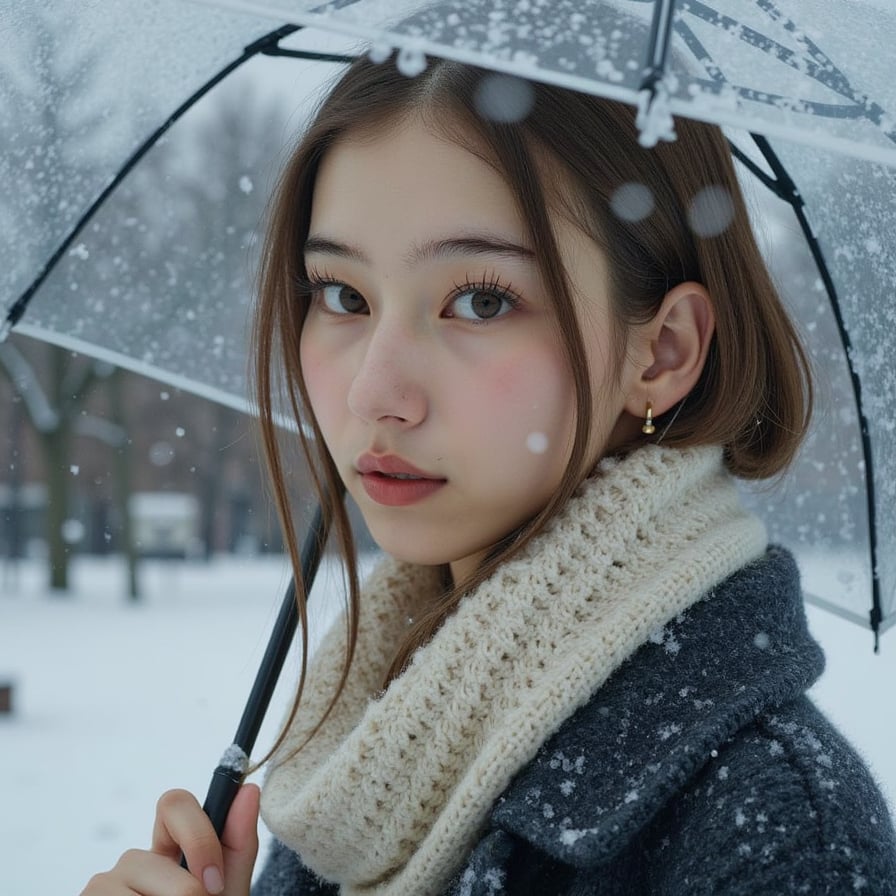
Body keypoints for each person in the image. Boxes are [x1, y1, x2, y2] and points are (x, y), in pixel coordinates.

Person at [81, 52, 896, 896]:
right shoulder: (368, 775)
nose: (374, 392)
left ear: (664, 349)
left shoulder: (778, 839)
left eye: (480, 300)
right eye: (341, 295)